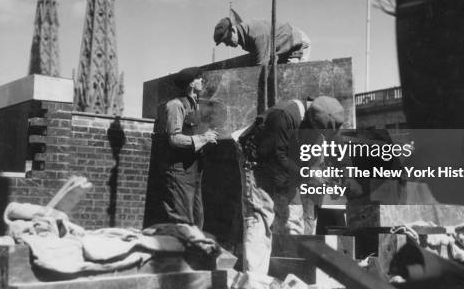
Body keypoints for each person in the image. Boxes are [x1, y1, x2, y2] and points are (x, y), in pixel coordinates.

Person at [237, 96, 346, 274]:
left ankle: (288, 276)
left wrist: (343, 175)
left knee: (293, 219)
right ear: (311, 122)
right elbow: (276, 156)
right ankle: (254, 281)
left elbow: (335, 143)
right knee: (260, 217)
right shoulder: (284, 115)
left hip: (288, 166)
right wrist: (307, 175)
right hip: (260, 161)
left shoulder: (327, 117)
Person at [143, 67, 218, 229]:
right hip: (179, 172)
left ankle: (193, 252)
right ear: (191, 83)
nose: (202, 81)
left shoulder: (195, 104)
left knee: (197, 219)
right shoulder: (175, 105)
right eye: (199, 78)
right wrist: (202, 138)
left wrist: (207, 135)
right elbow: (173, 138)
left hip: (194, 171)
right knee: (181, 220)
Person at [213, 17, 311, 66]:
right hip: (284, 49)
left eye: (226, 40)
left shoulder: (257, 35)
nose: (226, 45)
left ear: (233, 30)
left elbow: (262, 67)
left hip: (298, 44)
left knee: (292, 79)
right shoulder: (245, 37)